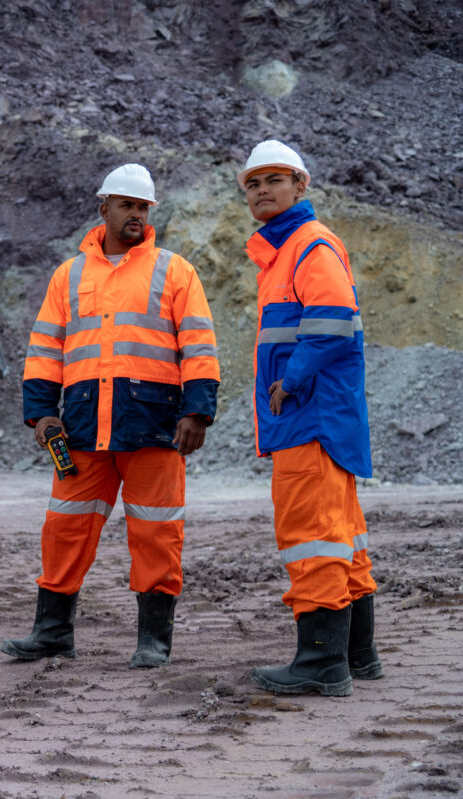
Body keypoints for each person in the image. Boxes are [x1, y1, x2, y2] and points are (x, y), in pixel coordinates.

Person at [0, 163, 220, 668]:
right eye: (127, 205)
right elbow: (45, 349)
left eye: (143, 207)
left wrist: (198, 412)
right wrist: (40, 415)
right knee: (64, 529)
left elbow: (200, 347)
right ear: (104, 209)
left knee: (156, 532)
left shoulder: (174, 270)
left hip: (156, 427)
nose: (136, 215)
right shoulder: (69, 274)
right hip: (80, 428)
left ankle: (153, 641)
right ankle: (52, 633)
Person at [237, 140, 382, 697]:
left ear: (302, 186)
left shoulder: (307, 244)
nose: (262, 190)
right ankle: (357, 654)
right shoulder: (283, 253)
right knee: (343, 536)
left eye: (275, 179)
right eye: (253, 183)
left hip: (308, 413)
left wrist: (291, 381)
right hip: (316, 413)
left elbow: (334, 319)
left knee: (310, 535)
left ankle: (321, 663)